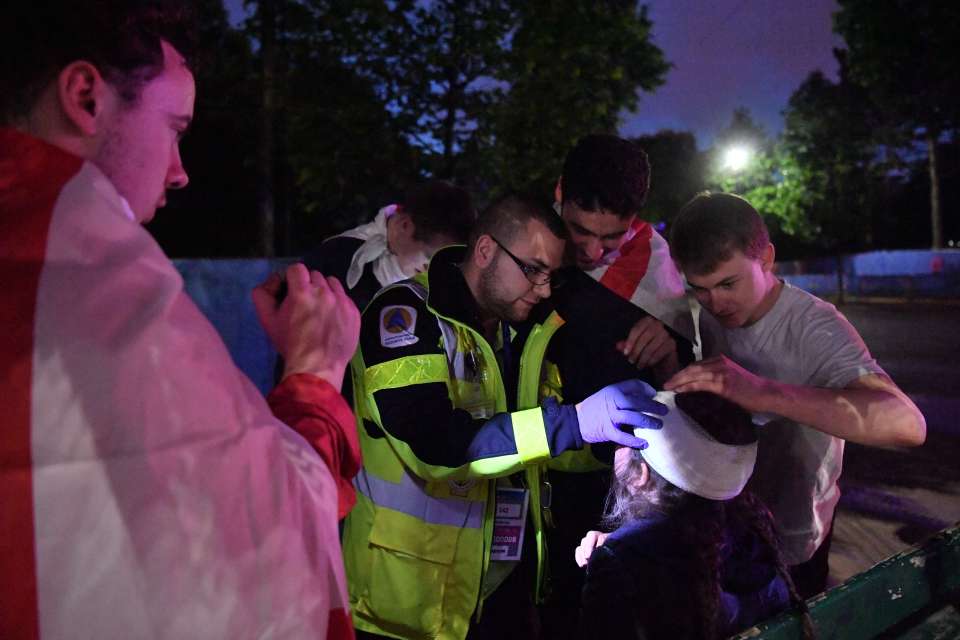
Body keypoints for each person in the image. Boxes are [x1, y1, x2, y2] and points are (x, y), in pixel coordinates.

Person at [1, 2, 361, 638]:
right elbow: (263, 540)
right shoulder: (100, 284)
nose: (181, 171)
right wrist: (315, 376)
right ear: (85, 97)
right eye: (174, 128)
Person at [342, 194, 667, 640]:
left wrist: (609, 441)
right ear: (485, 251)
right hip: (401, 604)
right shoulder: (405, 316)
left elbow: (535, 445)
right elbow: (434, 447)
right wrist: (574, 422)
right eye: (533, 269)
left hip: (494, 592)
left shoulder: (522, 331)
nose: (544, 289)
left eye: (552, 275)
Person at [664, 191, 927, 598]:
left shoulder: (815, 325)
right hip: (731, 524)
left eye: (728, 283)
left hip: (794, 540)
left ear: (766, 259)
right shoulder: (709, 311)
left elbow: (907, 424)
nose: (715, 302)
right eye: (700, 289)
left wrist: (762, 392)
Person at [533, 134, 696, 637]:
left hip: (612, 489)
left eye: (612, 237)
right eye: (580, 231)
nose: (592, 250)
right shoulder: (526, 241)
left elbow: (686, 396)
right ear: (560, 193)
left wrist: (669, 348)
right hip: (526, 466)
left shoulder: (656, 266)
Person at [575, 391, 813, 640]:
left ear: (639, 475)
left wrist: (620, 553)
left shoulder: (620, 563)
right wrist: (623, 544)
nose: (615, 445)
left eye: (623, 437)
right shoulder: (751, 525)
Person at [306, 180, 476, 311]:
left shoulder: (431, 287)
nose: (432, 270)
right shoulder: (338, 258)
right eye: (429, 258)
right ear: (405, 225)